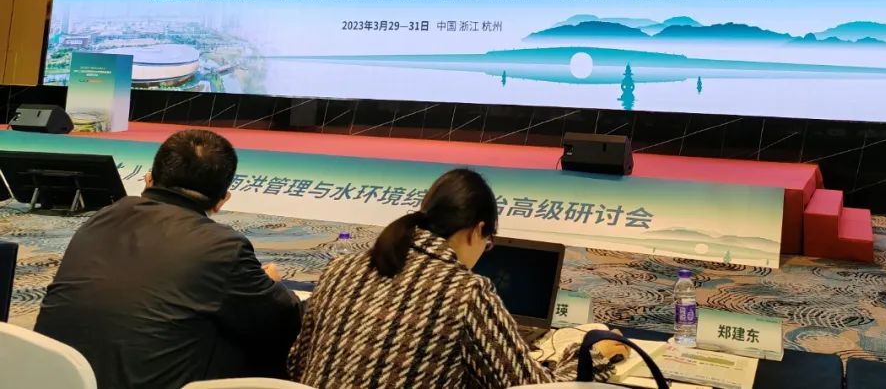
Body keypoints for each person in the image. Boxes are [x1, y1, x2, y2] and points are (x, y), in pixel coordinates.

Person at [289, 168, 627, 389]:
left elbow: (297, 364)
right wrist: (594, 357)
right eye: (488, 243)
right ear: (478, 230)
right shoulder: (464, 292)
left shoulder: (340, 268)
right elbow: (529, 388)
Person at [35, 128, 302, 389]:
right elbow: (285, 320)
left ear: (149, 180)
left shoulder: (103, 216)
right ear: (222, 200)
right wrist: (271, 285)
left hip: (49, 378)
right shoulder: (223, 246)